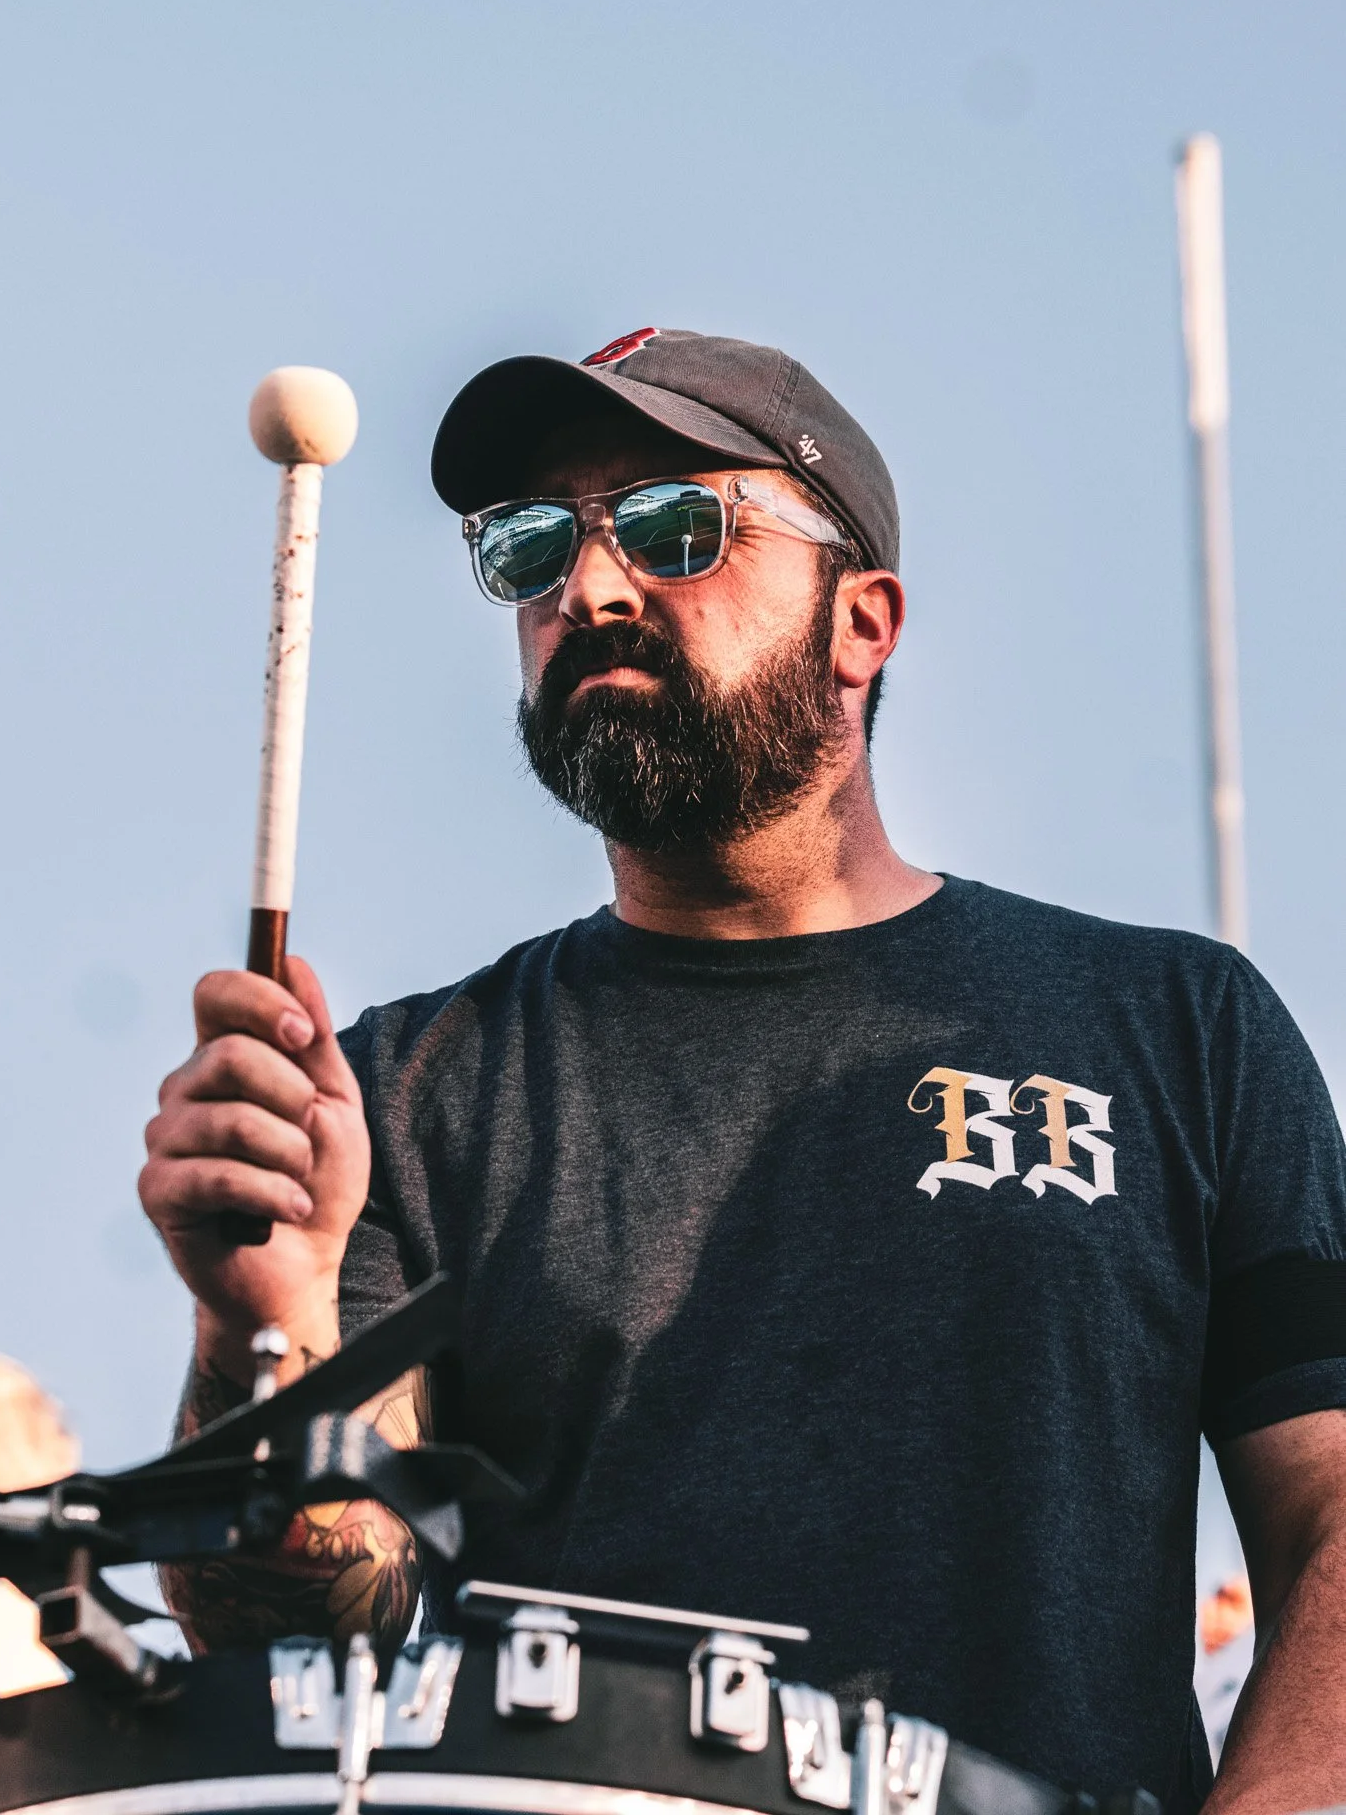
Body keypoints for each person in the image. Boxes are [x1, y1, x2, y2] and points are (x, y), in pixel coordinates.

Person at [140, 328, 1346, 1815]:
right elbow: (307, 1642)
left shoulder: (1179, 1029)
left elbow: (1335, 1523)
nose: (588, 589)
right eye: (531, 547)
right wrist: (258, 1326)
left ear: (863, 620)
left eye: (672, 526)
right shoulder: (397, 1093)